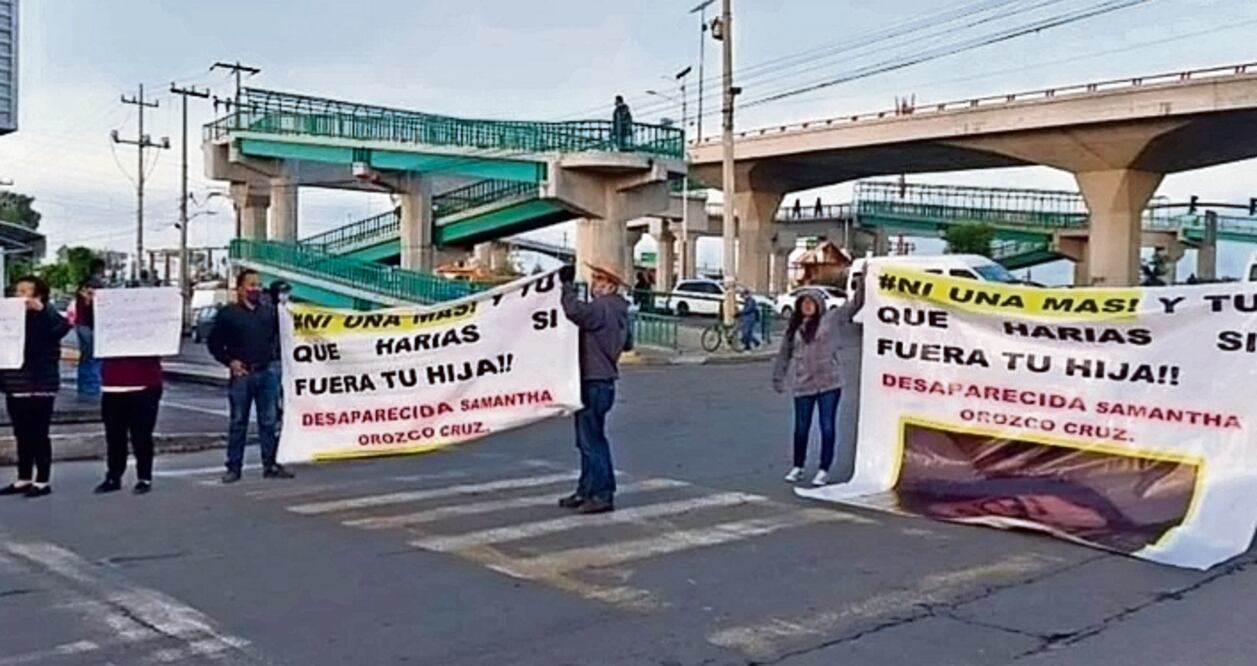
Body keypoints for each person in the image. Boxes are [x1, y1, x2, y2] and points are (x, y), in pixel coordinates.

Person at [557, 262, 634, 514]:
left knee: (592, 442)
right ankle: (587, 489)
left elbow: (574, 311)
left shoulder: (603, 306)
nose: (594, 283)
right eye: (593, 278)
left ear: (611, 286)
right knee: (588, 439)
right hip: (604, 380)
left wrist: (565, 287)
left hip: (593, 379)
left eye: (600, 279)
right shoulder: (621, 311)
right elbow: (628, 344)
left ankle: (602, 493)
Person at [772, 286, 863, 487]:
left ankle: (824, 469)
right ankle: (798, 466)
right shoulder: (794, 327)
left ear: (818, 304)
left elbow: (855, 304)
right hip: (803, 383)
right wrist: (779, 377)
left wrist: (864, 278)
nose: (807, 306)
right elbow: (784, 354)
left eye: (811, 302)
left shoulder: (831, 319)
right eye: (803, 303)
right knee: (801, 428)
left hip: (829, 384)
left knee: (827, 427)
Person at [208, 269, 293, 483]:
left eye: (258, 284)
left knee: (269, 421)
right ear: (240, 289)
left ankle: (271, 465)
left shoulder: (269, 313)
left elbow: (286, 335)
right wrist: (230, 361)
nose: (256, 288)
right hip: (242, 376)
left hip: (267, 373)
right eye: (251, 285)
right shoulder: (228, 314)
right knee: (238, 422)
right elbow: (214, 344)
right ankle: (233, 468)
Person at [0, 276, 72, 498]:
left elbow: (61, 328)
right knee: (21, 434)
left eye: (25, 291)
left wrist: (42, 311)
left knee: (39, 434)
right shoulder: (8, 319)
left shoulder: (48, 317)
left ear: (38, 295)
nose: (20, 296)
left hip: (41, 384)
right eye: (16, 291)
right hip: (16, 383)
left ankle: (42, 480)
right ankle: (23, 478)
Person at [94, 354, 163, 495]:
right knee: (114, 435)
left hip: (145, 385)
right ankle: (114, 475)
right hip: (112, 385)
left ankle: (144, 477)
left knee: (141, 435)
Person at [73, 278, 103, 398]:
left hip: (86, 326)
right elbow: (86, 312)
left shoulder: (83, 298)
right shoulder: (83, 299)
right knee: (90, 357)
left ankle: (88, 386)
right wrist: (89, 299)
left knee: (88, 357)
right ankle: (90, 386)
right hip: (85, 327)